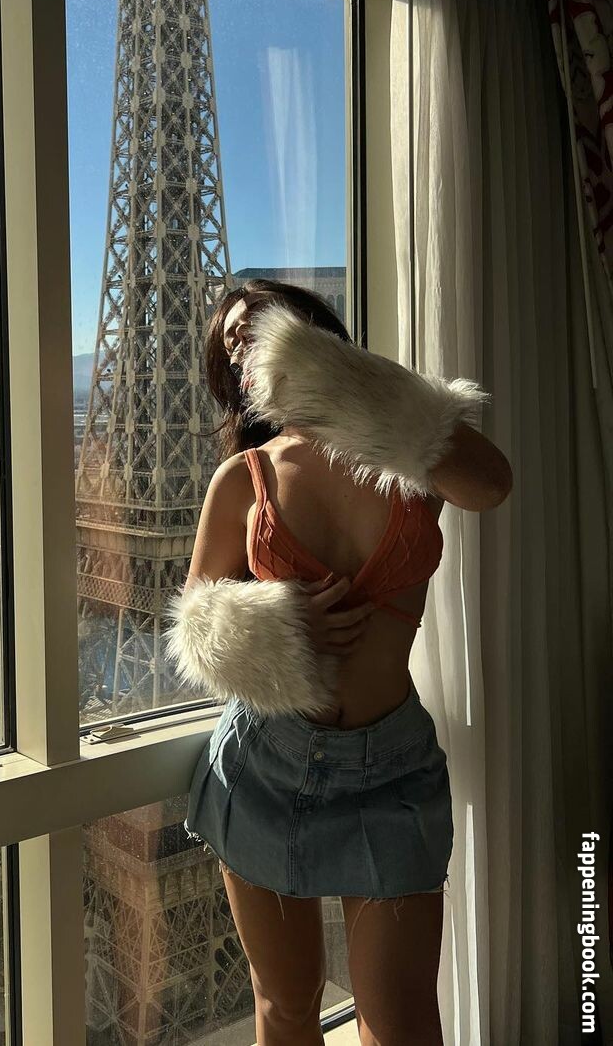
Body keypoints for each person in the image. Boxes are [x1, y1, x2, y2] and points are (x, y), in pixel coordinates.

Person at [164, 279, 512, 1046]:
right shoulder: (244, 477)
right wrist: (276, 621)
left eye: (256, 326)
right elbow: (195, 624)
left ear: (312, 329)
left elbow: (493, 483)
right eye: (231, 345)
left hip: (391, 773)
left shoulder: (410, 451)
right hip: (266, 763)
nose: (244, 345)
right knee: (286, 1007)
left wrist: (347, 384)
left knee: (402, 1024)